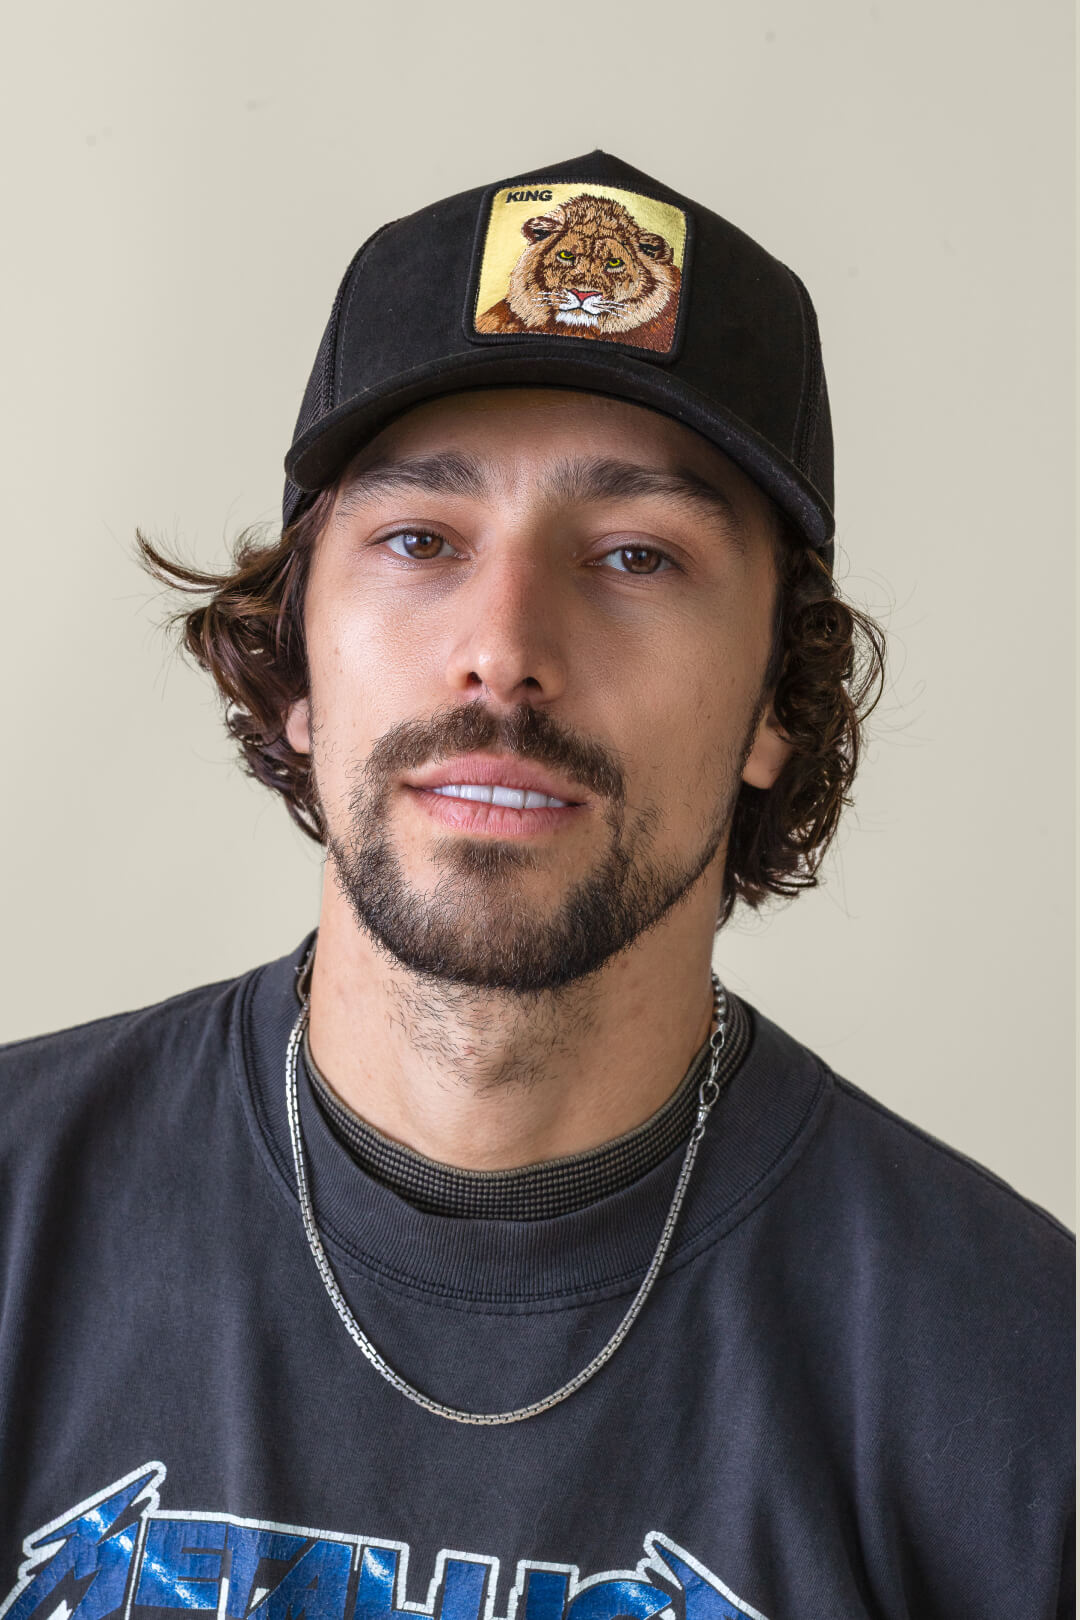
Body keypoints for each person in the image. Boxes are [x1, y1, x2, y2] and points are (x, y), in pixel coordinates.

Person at [0, 150, 1072, 1620]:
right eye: (420, 541)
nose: (503, 645)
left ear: (778, 698)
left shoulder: (1024, 1387)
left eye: (635, 554)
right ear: (296, 661)